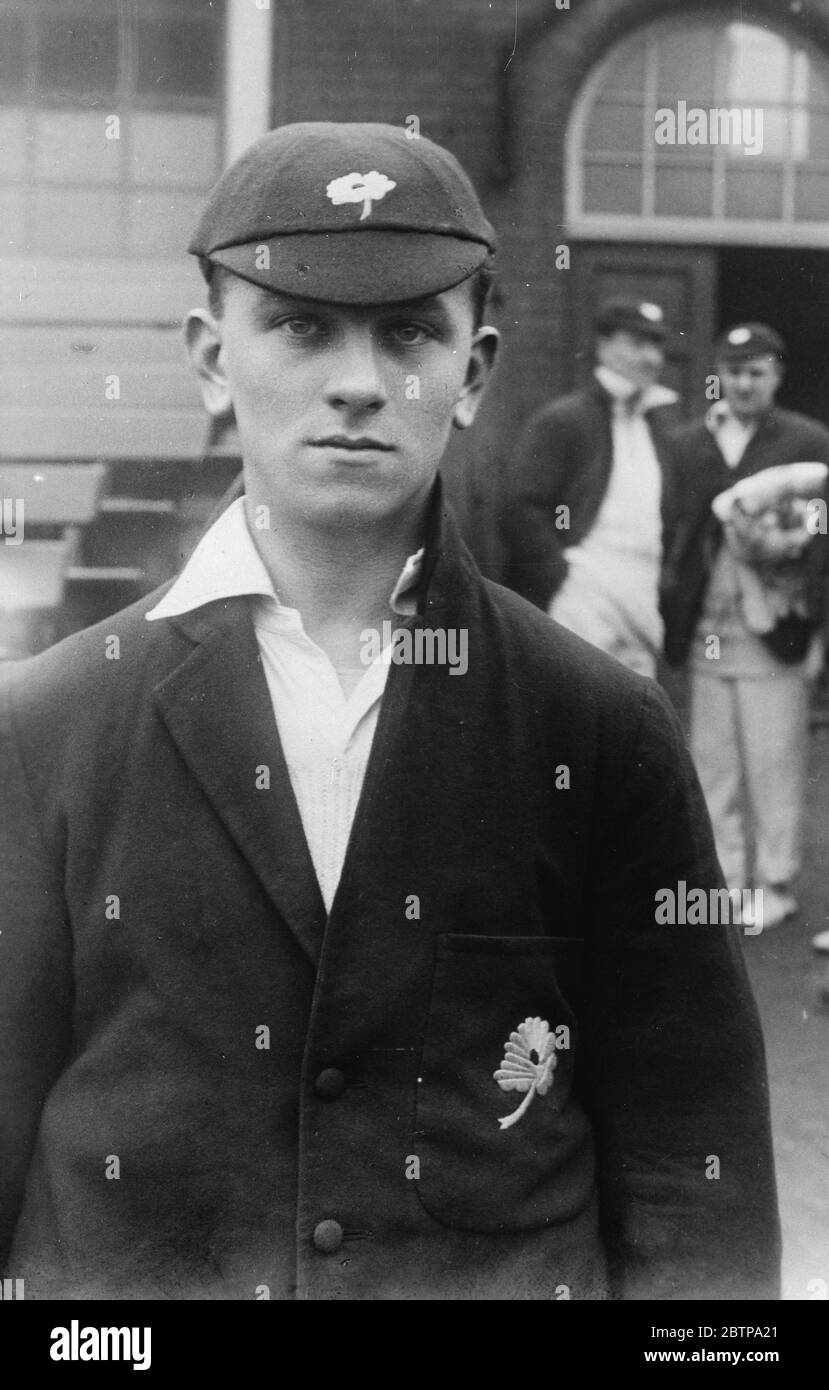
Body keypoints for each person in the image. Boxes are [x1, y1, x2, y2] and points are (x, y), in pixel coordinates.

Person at [0, 123, 778, 1301]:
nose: (359, 381)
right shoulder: (47, 723)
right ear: (213, 358)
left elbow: (692, 1153)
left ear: (471, 373)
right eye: (300, 325)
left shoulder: (596, 726)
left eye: (411, 331)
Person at [662, 323, 829, 929]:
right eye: (733, 371)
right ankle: (725, 880)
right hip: (707, 626)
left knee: (774, 759)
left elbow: (823, 534)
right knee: (713, 763)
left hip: (775, 629)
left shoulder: (810, 440)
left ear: (777, 375)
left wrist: (788, 547)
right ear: (718, 376)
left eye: (757, 371)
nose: (744, 383)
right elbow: (673, 534)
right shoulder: (686, 444)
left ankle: (775, 882)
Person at [501, 297, 678, 677]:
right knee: (577, 706)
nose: (651, 358)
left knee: (633, 717)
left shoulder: (657, 426)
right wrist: (561, 577)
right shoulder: (565, 420)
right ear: (604, 347)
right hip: (583, 594)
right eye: (637, 344)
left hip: (640, 595)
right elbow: (521, 506)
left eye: (657, 345)